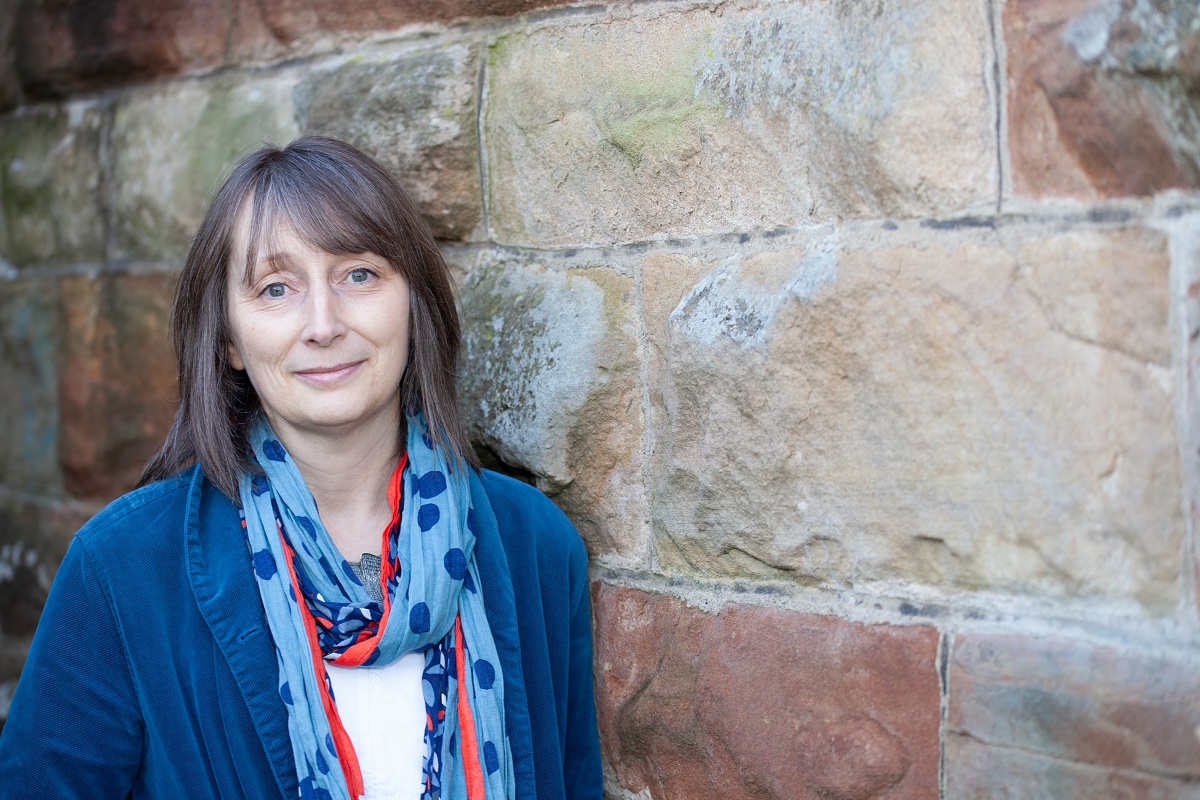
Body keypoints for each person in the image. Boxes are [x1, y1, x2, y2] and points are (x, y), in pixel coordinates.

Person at [0, 136, 603, 800]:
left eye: (359, 275)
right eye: (276, 287)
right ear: (229, 337)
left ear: (413, 303)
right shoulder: (121, 572)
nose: (323, 324)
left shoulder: (536, 549)